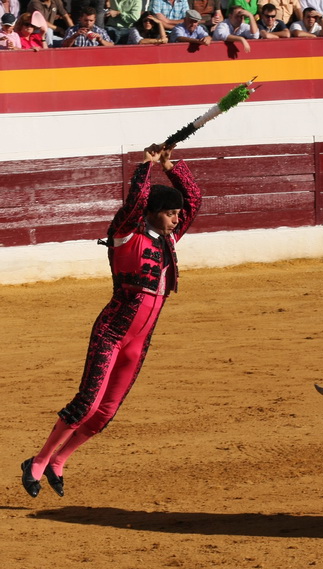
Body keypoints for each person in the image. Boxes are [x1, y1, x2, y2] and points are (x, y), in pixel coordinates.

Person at [20, 143, 202, 499]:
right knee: (86, 403)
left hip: (140, 341)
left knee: (105, 412)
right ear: (151, 213)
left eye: (177, 215)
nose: (177, 218)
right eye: (169, 213)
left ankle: (60, 461)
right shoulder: (126, 235)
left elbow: (193, 201)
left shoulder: (168, 240)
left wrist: (172, 165)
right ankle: (38, 461)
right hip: (113, 331)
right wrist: (144, 168)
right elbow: (134, 202)